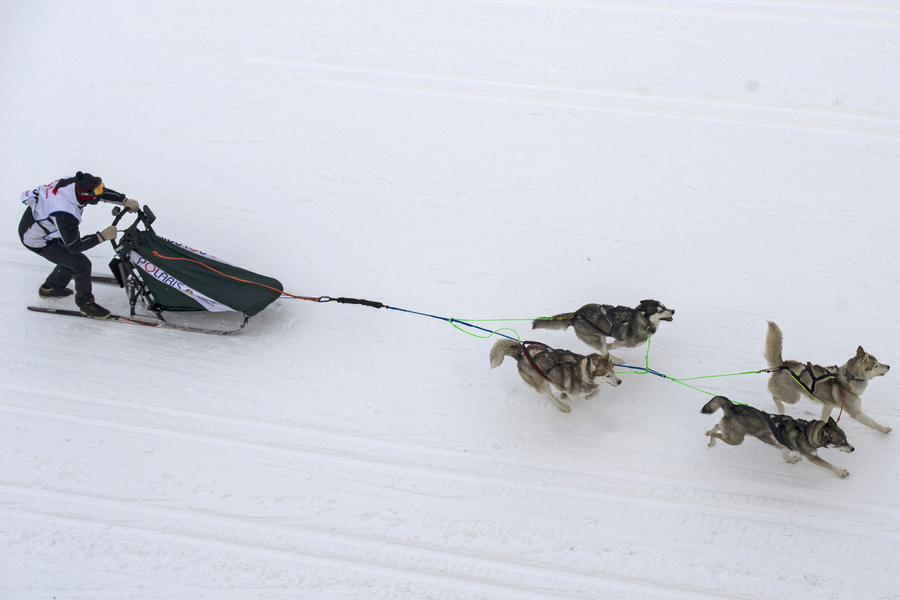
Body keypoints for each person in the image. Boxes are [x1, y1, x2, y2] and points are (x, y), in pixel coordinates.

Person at [18, 172, 139, 319]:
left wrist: (123, 200)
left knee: (68, 259)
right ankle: (85, 304)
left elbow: (97, 192)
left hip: (45, 226)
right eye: (96, 191)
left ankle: (52, 287)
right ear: (84, 195)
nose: (100, 192)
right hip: (37, 239)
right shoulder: (65, 213)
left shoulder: (74, 183)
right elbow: (75, 247)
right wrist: (101, 236)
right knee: (81, 264)